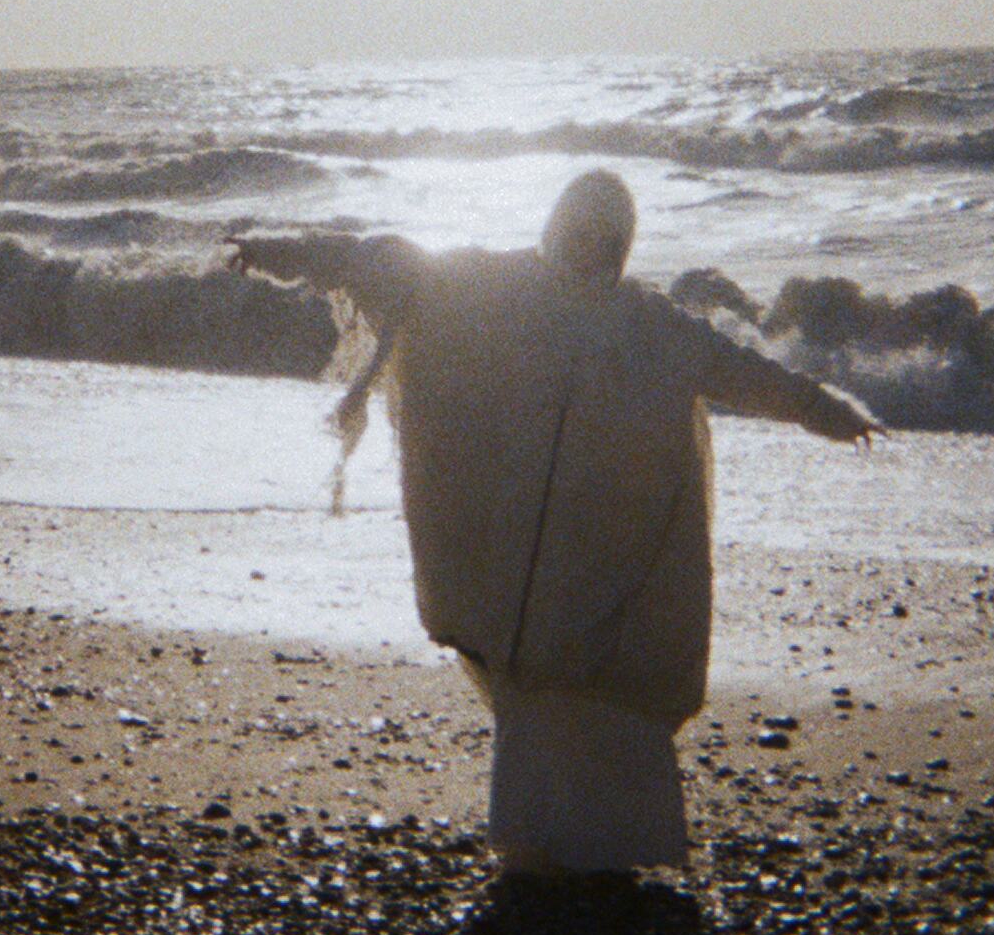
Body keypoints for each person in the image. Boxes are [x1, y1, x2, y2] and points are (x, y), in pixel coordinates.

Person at [230, 170, 877, 875]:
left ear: (621, 242)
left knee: (609, 691)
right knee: (539, 691)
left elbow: (745, 374)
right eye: (581, 228)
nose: (588, 245)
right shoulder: (499, 289)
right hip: (524, 559)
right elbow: (380, 260)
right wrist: (280, 250)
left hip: (609, 560)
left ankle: (613, 851)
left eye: (603, 234)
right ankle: (535, 848)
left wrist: (825, 411)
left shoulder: (648, 323)